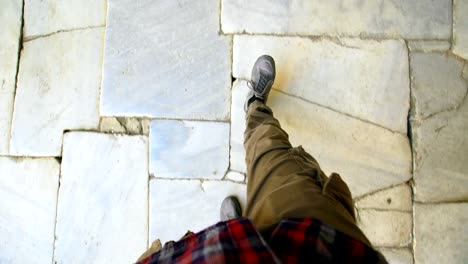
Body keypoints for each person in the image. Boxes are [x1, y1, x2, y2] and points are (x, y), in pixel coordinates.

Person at [137, 55, 387, 263]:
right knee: (271, 153)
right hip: (310, 244)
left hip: (211, 255)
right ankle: (256, 110)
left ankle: (254, 107)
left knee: (263, 145)